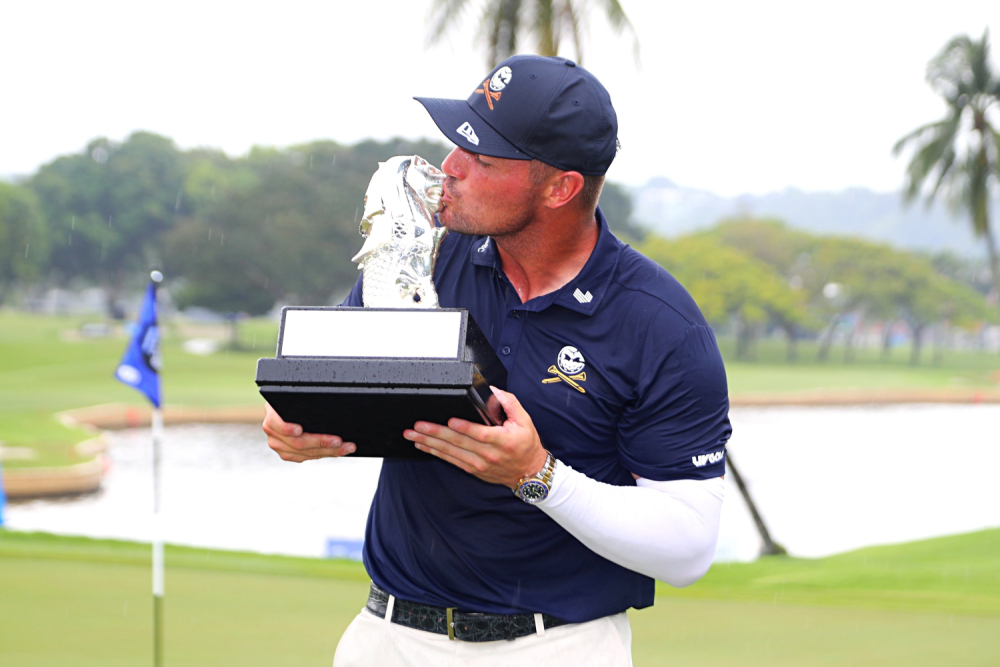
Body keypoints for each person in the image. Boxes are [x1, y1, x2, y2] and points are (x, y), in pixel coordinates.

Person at [263, 54, 731, 667]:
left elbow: (688, 548)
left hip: (557, 647)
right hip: (387, 637)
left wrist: (537, 474)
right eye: (457, 145)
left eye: (482, 158)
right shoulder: (426, 256)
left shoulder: (660, 324)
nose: (451, 168)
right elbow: (343, 376)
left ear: (560, 188)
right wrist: (300, 422)